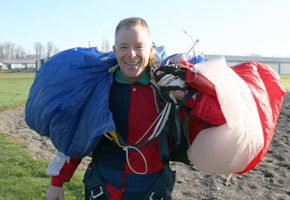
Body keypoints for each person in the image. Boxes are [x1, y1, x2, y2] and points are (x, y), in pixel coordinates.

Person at [46, 17, 224, 200]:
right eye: (124, 47)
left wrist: (187, 97)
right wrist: (57, 182)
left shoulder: (169, 90)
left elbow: (217, 120)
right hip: (104, 189)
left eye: (139, 46)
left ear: (151, 49)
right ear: (115, 51)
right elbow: (77, 136)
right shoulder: (100, 90)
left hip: (153, 190)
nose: (131, 54)